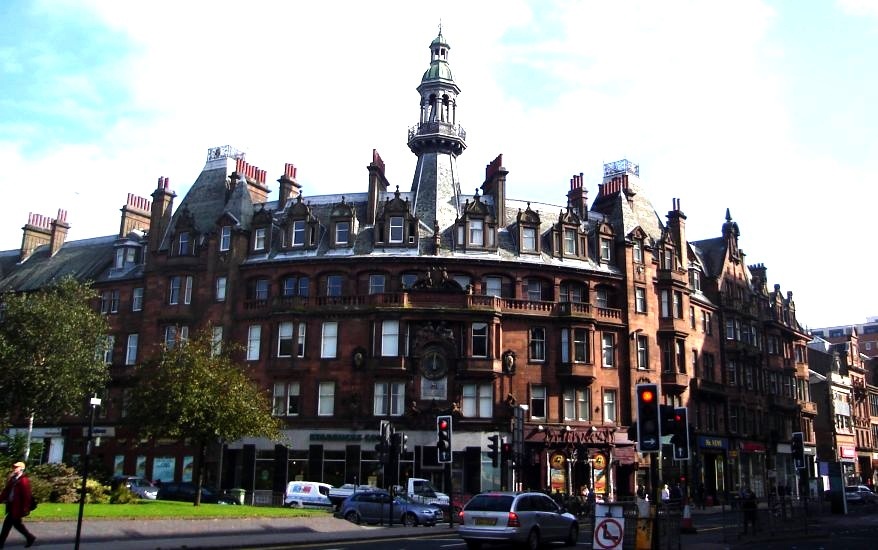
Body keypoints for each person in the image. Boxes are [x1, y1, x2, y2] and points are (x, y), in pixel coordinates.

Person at [0, 461, 36, 548]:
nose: (14, 468)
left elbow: (26, 495)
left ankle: (0, 544)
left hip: (17, 507)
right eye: (14, 467)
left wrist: (25, 508)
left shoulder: (24, 480)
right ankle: (30, 537)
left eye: (16, 467)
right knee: (17, 525)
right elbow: (6, 491)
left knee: (7, 525)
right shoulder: (13, 479)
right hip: (11, 506)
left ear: (21, 469)